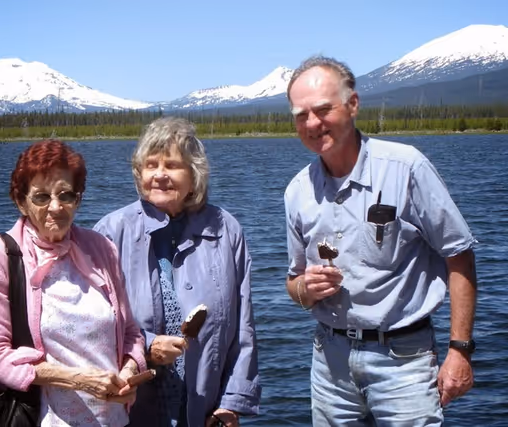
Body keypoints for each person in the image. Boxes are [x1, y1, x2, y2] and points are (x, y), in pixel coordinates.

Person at [284, 56, 477, 426]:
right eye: (300, 115)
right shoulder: (297, 191)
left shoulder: (406, 168)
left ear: (353, 105)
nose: (311, 123)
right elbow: (293, 284)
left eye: (323, 109)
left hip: (404, 359)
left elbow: (459, 256)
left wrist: (460, 350)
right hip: (329, 362)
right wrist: (305, 289)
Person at [94, 117, 261, 427]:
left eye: (171, 165)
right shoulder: (109, 233)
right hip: (129, 412)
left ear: (194, 175)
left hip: (206, 411)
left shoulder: (226, 230)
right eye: (150, 165)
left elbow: (243, 329)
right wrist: (146, 347)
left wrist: (231, 404)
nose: (159, 175)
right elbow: (93, 325)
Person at [0, 139, 146, 427]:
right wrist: (77, 380)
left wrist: (130, 370)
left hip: (113, 419)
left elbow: (130, 332)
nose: (55, 207)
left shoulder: (101, 248)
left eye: (66, 195)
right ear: (21, 201)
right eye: (41, 197)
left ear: (78, 199)